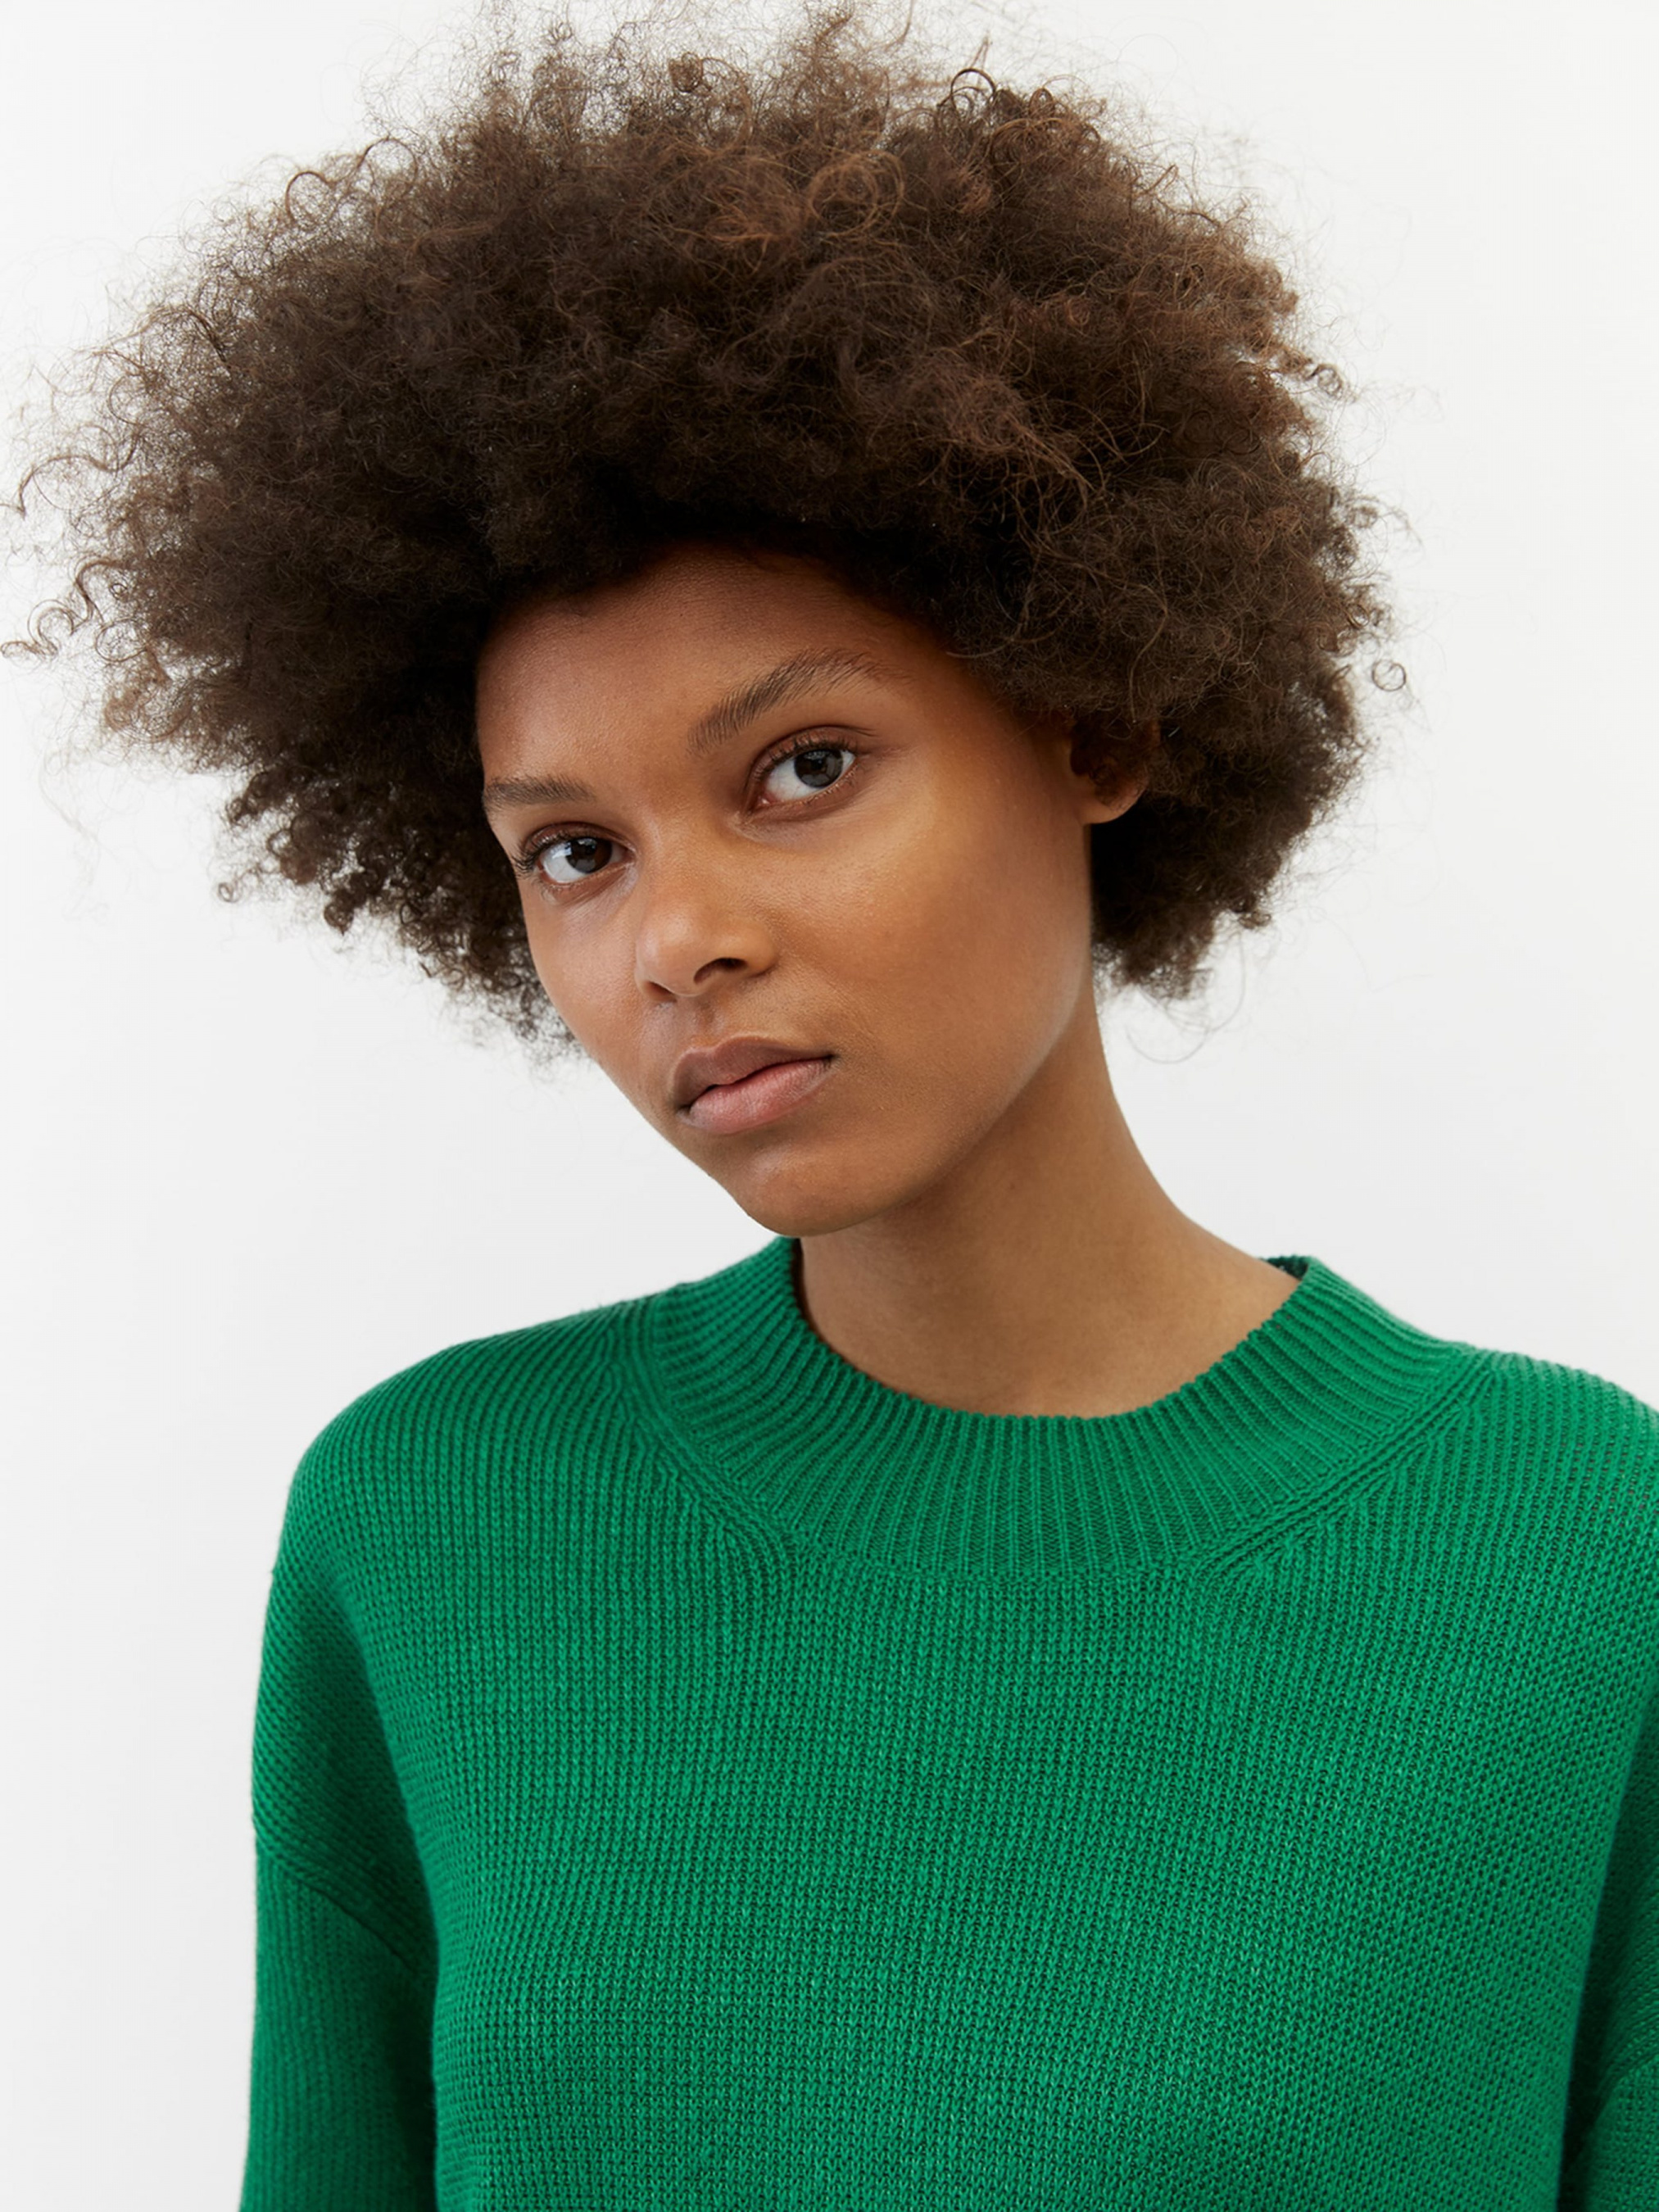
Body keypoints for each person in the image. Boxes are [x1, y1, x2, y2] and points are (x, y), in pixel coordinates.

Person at [13, 7, 1656, 2205]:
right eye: (573, 850)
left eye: (800, 769)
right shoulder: (433, 1525)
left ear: (1091, 718)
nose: (676, 939)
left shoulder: (1575, 1549)